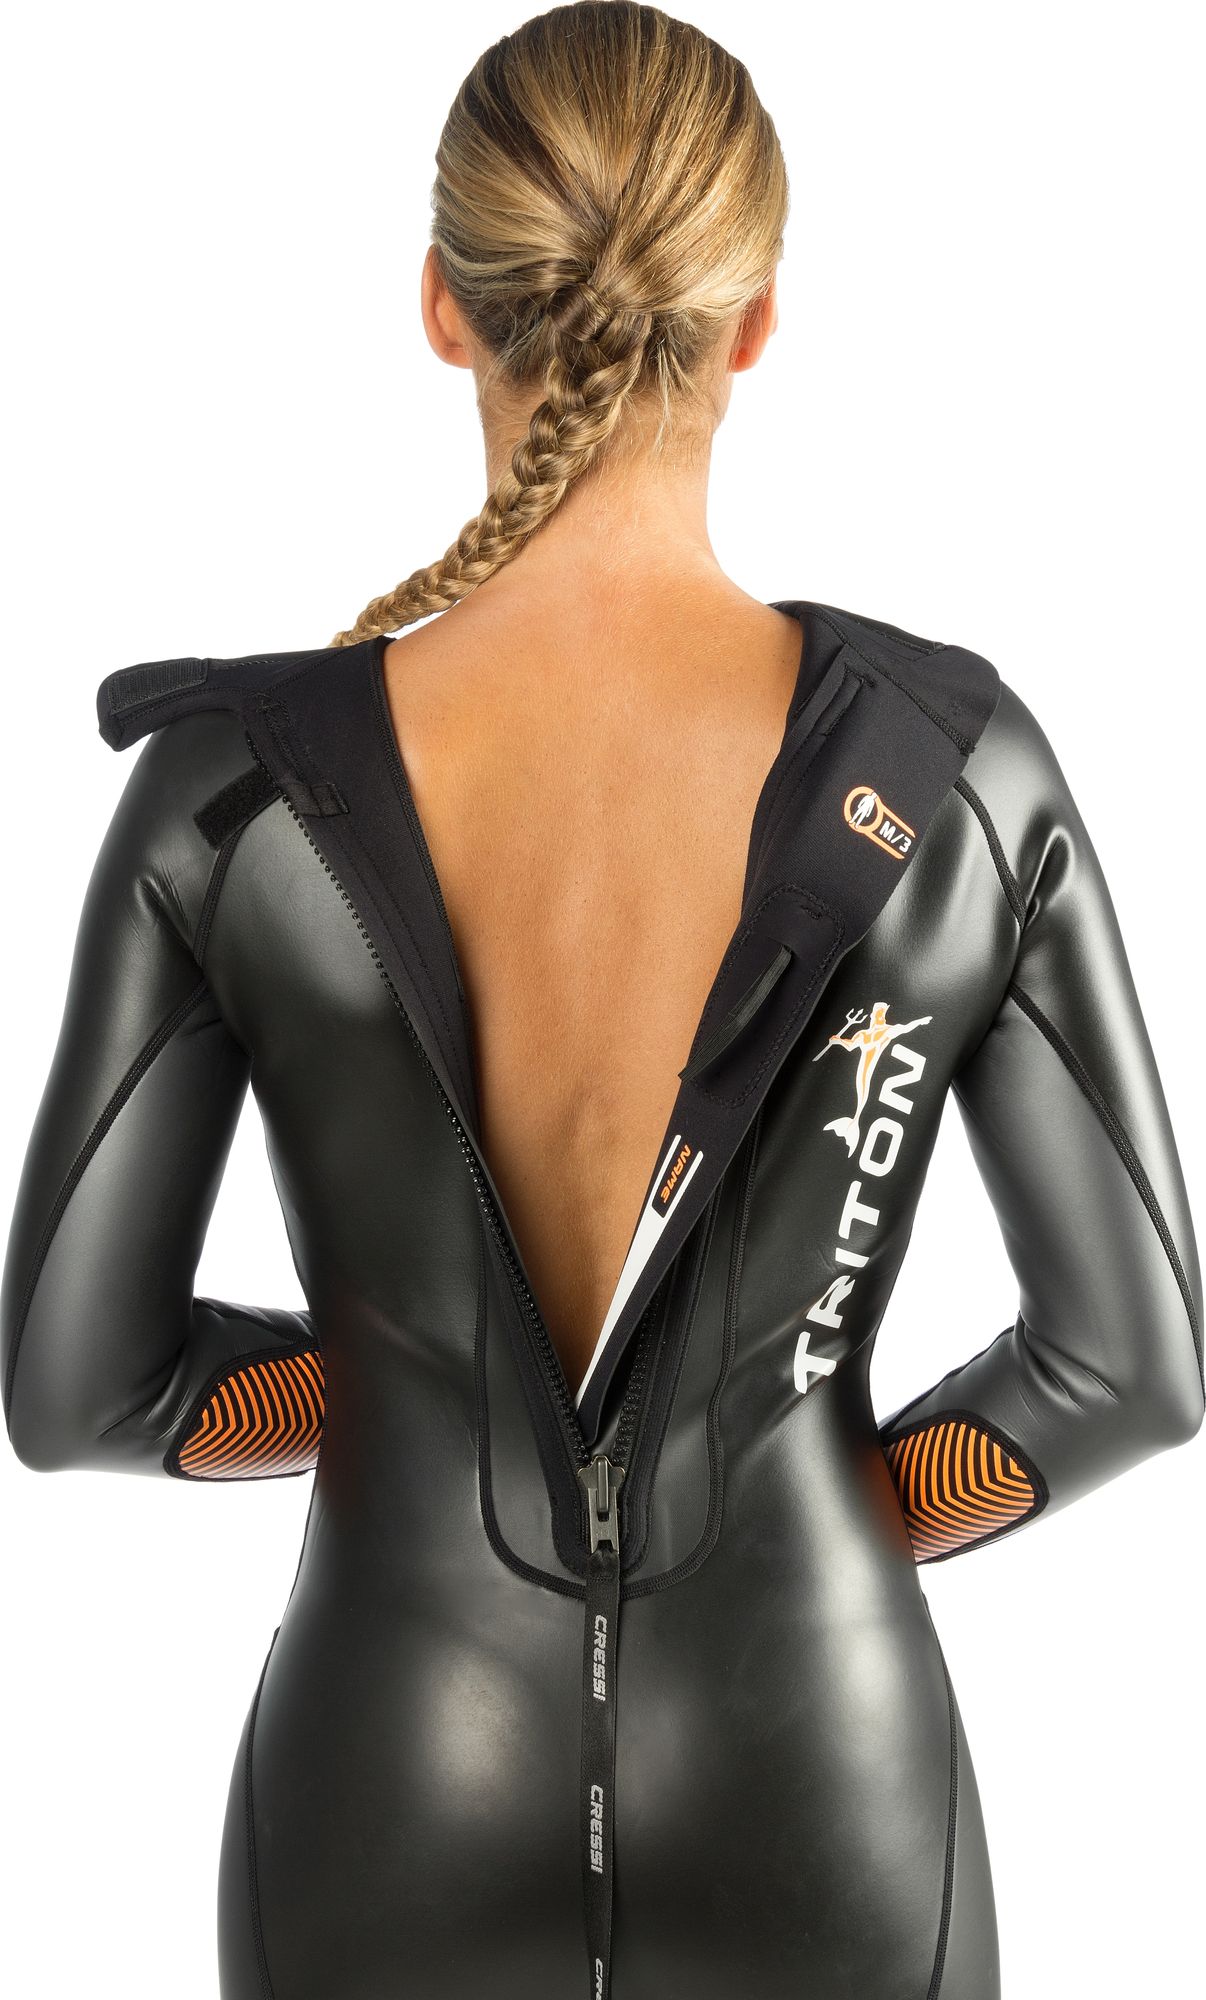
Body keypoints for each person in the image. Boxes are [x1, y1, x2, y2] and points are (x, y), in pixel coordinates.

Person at [2, 5, 1201, 1996]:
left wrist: (389, 1398)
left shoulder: (231, 795)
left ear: (440, 306)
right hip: (825, 1786)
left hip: (387, 1786)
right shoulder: (954, 771)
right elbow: (1127, 1368)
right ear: (755, 321)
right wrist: (819, 1524)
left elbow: (81, 1386)